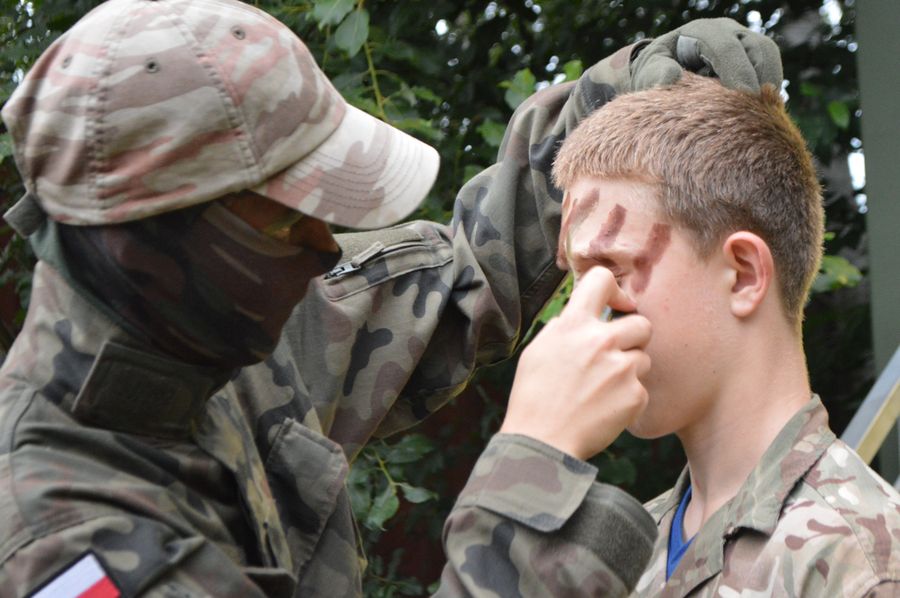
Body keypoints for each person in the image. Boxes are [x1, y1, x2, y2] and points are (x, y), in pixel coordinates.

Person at [0, 0, 782, 595]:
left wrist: (617, 95)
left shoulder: (204, 331)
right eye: (287, 220)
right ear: (152, 240)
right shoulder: (63, 542)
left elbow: (465, 274)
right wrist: (530, 477)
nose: (323, 251)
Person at [551, 73, 900, 597]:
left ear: (742, 274)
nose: (582, 316)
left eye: (611, 271)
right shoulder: (632, 552)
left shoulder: (862, 565)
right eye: (579, 283)